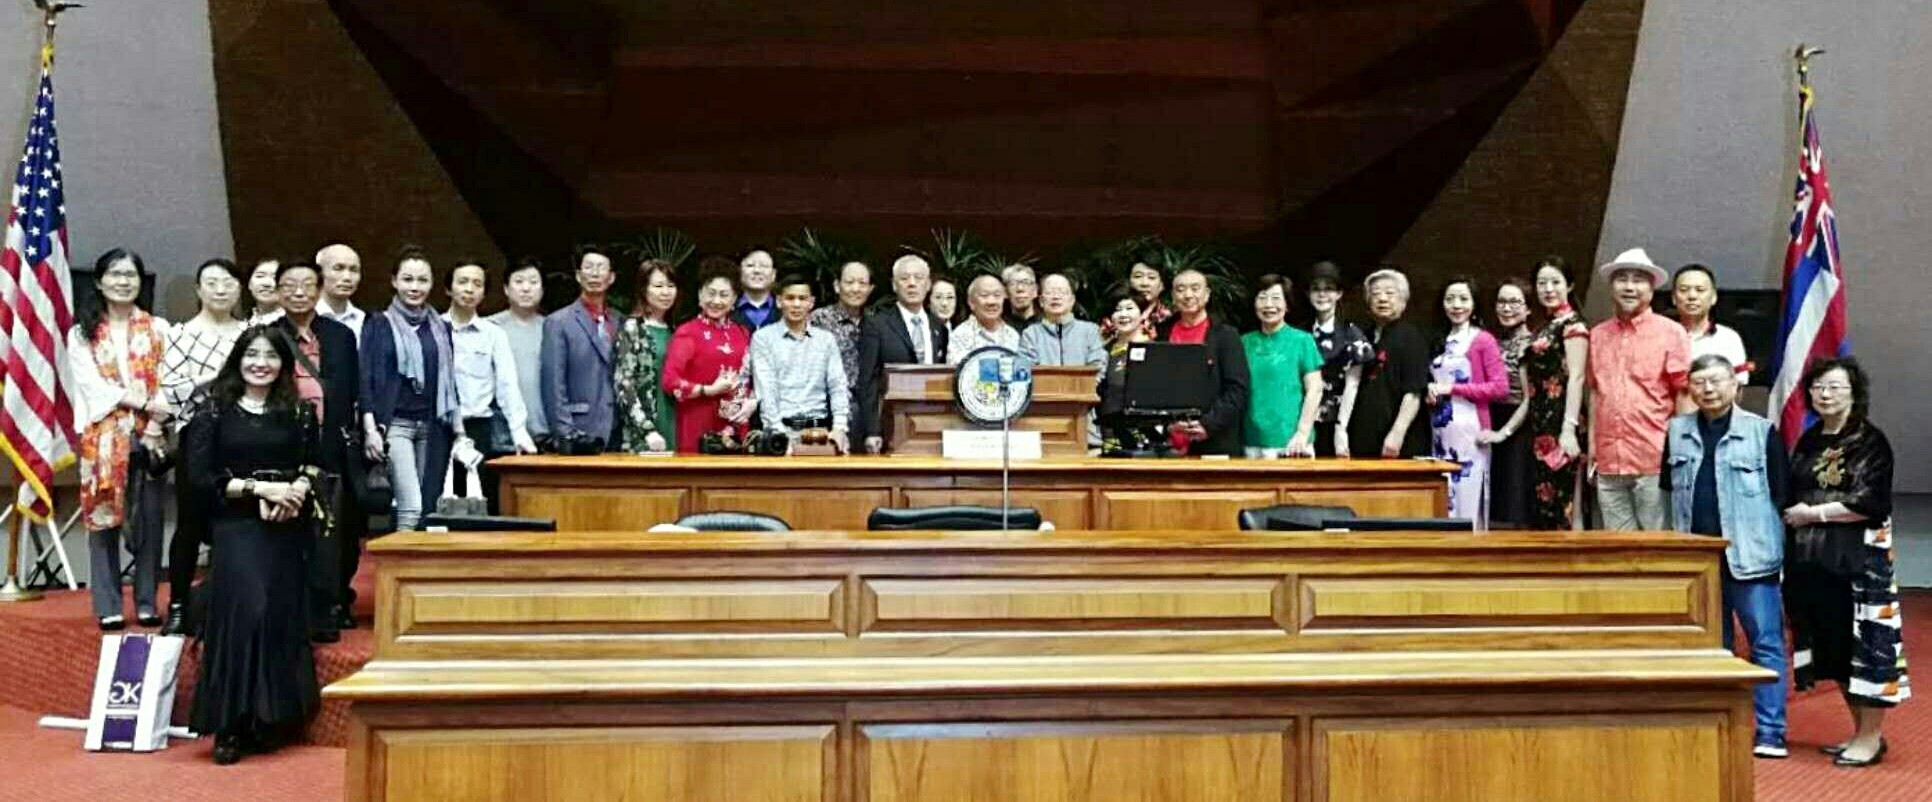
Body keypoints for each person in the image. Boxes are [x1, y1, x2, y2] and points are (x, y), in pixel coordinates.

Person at [183, 326, 321, 765]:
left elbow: (312, 464)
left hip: (287, 524)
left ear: (284, 364)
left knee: (278, 613)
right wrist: (258, 490)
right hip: (236, 524)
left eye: (271, 356)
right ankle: (230, 723)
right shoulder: (213, 411)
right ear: (237, 360)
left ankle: (269, 719)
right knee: (248, 610)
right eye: (252, 354)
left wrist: (295, 493)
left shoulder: (298, 411)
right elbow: (200, 479)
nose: (261, 363)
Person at [1783, 357, 1908, 767]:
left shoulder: (1870, 441)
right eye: (1818, 387)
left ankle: (1870, 736)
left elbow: (1871, 502)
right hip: (1814, 561)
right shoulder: (1810, 439)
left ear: (1854, 393)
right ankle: (1860, 731)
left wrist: (1813, 514)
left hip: (1859, 563)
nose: (1825, 394)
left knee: (1866, 648)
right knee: (1834, 647)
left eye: (1835, 387)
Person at [1665, 354, 1791, 759]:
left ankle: (1770, 732)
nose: (1708, 389)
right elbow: (1669, 493)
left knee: (1765, 644)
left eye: (1717, 381)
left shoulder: (1761, 432)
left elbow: (1782, 496)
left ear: (1735, 386)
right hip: (1698, 562)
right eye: (1699, 382)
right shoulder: (1676, 431)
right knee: (1708, 647)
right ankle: (1713, 726)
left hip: (1751, 556)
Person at [69, 249, 172, 630]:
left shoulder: (159, 328)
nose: (123, 282)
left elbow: (170, 379)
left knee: (150, 520)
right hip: (103, 439)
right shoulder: (82, 332)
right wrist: (143, 403)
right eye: (115, 274)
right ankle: (108, 605)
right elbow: (92, 386)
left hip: (151, 435)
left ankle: (146, 602)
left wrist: (157, 420)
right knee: (102, 520)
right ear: (99, 282)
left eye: (130, 275)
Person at [270, 261, 364, 642]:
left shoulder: (340, 336)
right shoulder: (269, 336)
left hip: (333, 444)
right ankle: (298, 605)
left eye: (307, 284)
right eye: (289, 285)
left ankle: (336, 600)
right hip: (284, 446)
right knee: (294, 529)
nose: (298, 292)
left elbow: (353, 390)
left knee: (339, 529)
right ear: (277, 292)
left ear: (319, 288)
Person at [158, 258, 247, 635]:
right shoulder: (180, 334)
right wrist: (221, 376)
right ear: (198, 290)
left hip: (244, 436)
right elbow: (172, 390)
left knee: (237, 522)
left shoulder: (251, 333)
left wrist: (209, 380)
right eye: (212, 282)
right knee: (190, 524)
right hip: (197, 437)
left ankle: (229, 604)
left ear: (239, 289)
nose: (220, 289)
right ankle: (179, 605)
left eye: (228, 282)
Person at [1587, 248, 1689, 530]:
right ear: (1611, 286)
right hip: (1609, 459)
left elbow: (1683, 393)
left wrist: (1680, 451)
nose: (1630, 287)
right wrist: (1593, 447)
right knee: (1618, 545)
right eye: (1622, 279)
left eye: (1639, 280)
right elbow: (1596, 393)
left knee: (1658, 543)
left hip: (1654, 456)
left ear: (1652, 288)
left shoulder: (1671, 332)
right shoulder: (1597, 335)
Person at [359, 248, 460, 533]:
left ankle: (416, 559)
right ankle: (401, 559)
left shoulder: (441, 328)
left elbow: (450, 381)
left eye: (422, 280)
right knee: (410, 506)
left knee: (428, 507)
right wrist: (370, 429)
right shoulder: (378, 323)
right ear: (394, 281)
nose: (415, 287)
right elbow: (366, 378)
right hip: (395, 425)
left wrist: (460, 431)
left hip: (433, 425)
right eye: (407, 279)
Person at [1493, 257, 1589, 528]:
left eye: (1555, 282)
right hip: (1538, 426)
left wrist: (1569, 429)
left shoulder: (1574, 326)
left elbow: (1577, 377)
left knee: (1564, 506)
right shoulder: (1544, 327)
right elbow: (1530, 391)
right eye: (1542, 283)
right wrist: (1505, 432)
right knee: (1542, 505)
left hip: (1561, 424)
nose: (1548, 289)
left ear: (1569, 285)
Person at [444, 259, 539, 513]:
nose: (469, 289)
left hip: (478, 428)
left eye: (477, 284)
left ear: (484, 292)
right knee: (443, 503)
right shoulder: (434, 329)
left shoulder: (493, 333)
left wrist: (519, 432)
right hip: (440, 430)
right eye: (463, 282)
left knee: (478, 503)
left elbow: (507, 385)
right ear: (448, 288)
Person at [1429, 277, 1509, 526]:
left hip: (1471, 428)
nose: (1456, 305)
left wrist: (1452, 388)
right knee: (1443, 494)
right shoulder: (1438, 339)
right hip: (1440, 429)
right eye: (1450, 299)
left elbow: (1500, 387)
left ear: (1474, 304)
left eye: (1463, 299)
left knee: (1467, 496)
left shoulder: (1483, 340)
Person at [857, 255, 949, 453]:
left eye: (918, 278)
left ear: (928, 285)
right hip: (892, 422)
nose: (912, 283)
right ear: (894, 285)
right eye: (904, 278)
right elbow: (867, 381)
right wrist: (872, 430)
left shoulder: (938, 327)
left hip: (931, 422)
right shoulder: (877, 324)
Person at [749, 274, 850, 452]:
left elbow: (838, 384)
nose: (796, 304)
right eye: (790, 298)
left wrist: (839, 427)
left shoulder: (825, 340)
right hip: (780, 431)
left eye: (802, 298)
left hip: (822, 432)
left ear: (811, 303)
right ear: (779, 301)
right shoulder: (763, 338)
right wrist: (778, 434)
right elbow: (766, 389)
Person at [1158, 268, 1250, 457]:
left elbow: (1237, 389)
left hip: (1216, 438)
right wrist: (1167, 424)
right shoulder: (1161, 334)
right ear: (1173, 297)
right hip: (1170, 441)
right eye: (1180, 289)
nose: (1188, 295)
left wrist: (1207, 424)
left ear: (1207, 294)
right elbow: (1154, 386)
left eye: (1195, 288)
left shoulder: (1225, 335)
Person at [663, 267, 755, 453]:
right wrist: (708, 390)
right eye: (711, 293)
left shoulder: (742, 333)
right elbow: (670, 382)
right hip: (698, 422)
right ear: (700, 295)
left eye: (724, 295)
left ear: (734, 299)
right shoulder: (687, 332)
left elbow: (751, 378)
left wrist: (751, 402)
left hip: (736, 426)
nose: (716, 301)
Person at [541, 245, 621, 453]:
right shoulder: (558, 322)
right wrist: (565, 433)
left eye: (601, 267)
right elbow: (553, 383)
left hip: (617, 429)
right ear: (578, 276)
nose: (594, 273)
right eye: (589, 267)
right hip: (579, 429)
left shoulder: (620, 321)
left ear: (611, 277)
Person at [1346, 268, 1430, 459]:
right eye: (1375, 293)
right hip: (1361, 436)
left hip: (1397, 441)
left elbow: (1414, 392)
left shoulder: (1412, 337)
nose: (1382, 299)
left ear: (1403, 301)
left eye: (1390, 293)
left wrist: (1397, 433)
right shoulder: (1362, 336)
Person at [1240, 274, 1322, 459]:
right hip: (1250, 438)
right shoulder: (1243, 342)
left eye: (1276, 298)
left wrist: (1302, 433)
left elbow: (1315, 389)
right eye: (1262, 298)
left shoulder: (1302, 340)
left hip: (1291, 441)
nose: (1268, 304)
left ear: (1287, 304)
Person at [1481, 279, 1536, 528]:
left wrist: (1504, 433)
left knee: (1514, 503)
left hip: (1517, 424)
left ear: (1528, 308)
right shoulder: (1492, 342)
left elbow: (1528, 397)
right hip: (1491, 418)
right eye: (1502, 302)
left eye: (1514, 302)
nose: (1506, 308)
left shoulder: (1531, 345)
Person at [613, 259, 679, 453]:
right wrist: (646, 429)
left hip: (675, 420)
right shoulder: (633, 328)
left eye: (670, 286)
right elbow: (624, 385)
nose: (665, 292)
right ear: (644, 290)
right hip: (645, 429)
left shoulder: (676, 330)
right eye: (658, 286)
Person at [1305, 261, 1370, 457]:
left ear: (1339, 294)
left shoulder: (1352, 334)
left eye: (1329, 289)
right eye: (1316, 289)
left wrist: (1341, 429)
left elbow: (1352, 385)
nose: (1322, 294)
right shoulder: (1301, 333)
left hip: (1335, 421)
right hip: (1300, 419)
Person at [1671, 263, 1750, 412]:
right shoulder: (1661, 336)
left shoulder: (1729, 338)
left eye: (1700, 290)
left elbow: (1737, 391)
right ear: (1674, 298)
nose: (1692, 296)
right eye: (1684, 290)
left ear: (1713, 297)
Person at [487, 257, 548, 445]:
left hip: (546, 432)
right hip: (501, 434)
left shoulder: (553, 328)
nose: (526, 288)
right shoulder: (489, 327)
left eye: (533, 282)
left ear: (542, 289)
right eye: (519, 281)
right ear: (506, 289)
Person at [1096, 292, 1164, 452]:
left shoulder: (1157, 351)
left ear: (1143, 314)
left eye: (1129, 308)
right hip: (1108, 437)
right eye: (1117, 310)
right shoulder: (1102, 352)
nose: (1123, 314)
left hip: (1148, 438)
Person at [808, 260, 871, 412]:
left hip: (869, 405)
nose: (856, 289)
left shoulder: (876, 321)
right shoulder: (819, 319)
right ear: (837, 286)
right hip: (828, 405)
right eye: (849, 282)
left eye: (862, 283)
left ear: (870, 289)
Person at [1019, 273, 1105, 370]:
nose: (1056, 297)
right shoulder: (1031, 334)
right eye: (1050, 292)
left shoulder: (1090, 331)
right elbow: (1024, 369)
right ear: (1041, 301)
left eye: (1062, 292)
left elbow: (1098, 366)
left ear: (1072, 300)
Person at [948, 274, 1021, 364]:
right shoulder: (961, 335)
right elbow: (959, 370)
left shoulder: (1012, 335)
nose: (991, 301)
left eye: (997, 295)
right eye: (984, 295)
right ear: (971, 302)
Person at [1103, 252, 1172, 339]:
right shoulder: (1112, 316)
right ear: (1128, 281)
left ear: (1162, 285)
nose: (1144, 283)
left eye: (1151, 277)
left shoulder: (1167, 320)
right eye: (1138, 276)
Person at [315, 243, 368, 345]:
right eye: (338, 268)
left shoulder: (366, 321)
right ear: (319, 273)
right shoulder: (300, 317)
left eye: (354, 270)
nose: (347, 277)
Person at [732, 247, 780, 329]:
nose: (757, 270)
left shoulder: (784, 307)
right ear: (739, 271)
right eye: (750, 265)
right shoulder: (728, 307)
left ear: (774, 274)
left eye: (764, 266)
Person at [245, 258, 284, 326]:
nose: (267, 284)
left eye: (275, 278)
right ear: (249, 284)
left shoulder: (295, 322)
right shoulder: (242, 323)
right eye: (260, 276)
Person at [1002, 263, 1040, 330]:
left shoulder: (1048, 326)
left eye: (1025, 282)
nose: (1020, 288)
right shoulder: (998, 327)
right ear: (1005, 292)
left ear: (1035, 291)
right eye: (1013, 283)